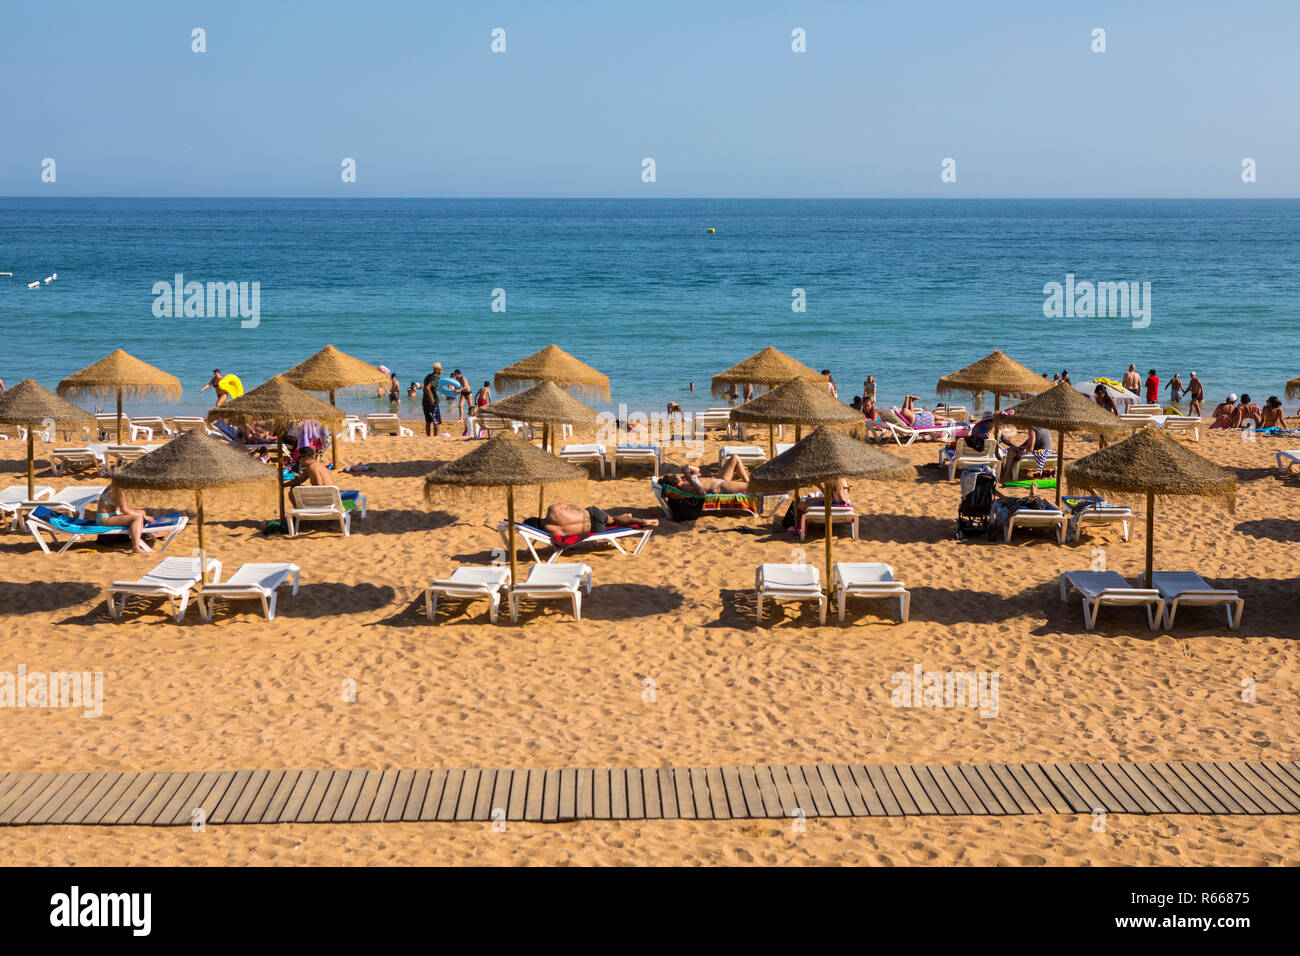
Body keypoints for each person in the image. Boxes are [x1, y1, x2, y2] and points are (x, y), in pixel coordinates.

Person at [94, 483, 155, 554]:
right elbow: (125, 510)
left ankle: (151, 533)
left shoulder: (115, 485)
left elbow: (127, 508)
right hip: (104, 520)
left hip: (112, 516)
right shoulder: (118, 490)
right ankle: (136, 548)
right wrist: (143, 517)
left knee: (142, 512)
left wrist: (142, 514)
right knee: (137, 518)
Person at [541, 502, 658, 537]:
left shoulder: (552, 532)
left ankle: (626, 517)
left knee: (613, 521)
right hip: (592, 514)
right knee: (612, 520)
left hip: (594, 528)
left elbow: (564, 539)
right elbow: (565, 505)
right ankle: (642, 521)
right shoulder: (552, 510)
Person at [664, 455, 753, 494]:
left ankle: (748, 481)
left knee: (735, 458)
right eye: (672, 479)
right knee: (751, 486)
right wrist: (690, 480)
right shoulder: (684, 487)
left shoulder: (684, 478)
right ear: (673, 484)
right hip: (721, 486)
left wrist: (689, 467)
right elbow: (702, 493)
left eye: (673, 475)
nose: (675, 477)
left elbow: (697, 470)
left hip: (719, 478)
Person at [422, 363, 443, 437]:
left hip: (424, 401)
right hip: (431, 402)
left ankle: (428, 437)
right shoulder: (435, 377)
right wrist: (432, 399)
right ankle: (435, 437)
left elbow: (423, 389)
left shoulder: (428, 376)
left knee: (428, 421)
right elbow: (427, 388)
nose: (442, 370)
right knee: (436, 421)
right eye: (441, 369)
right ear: (437, 370)